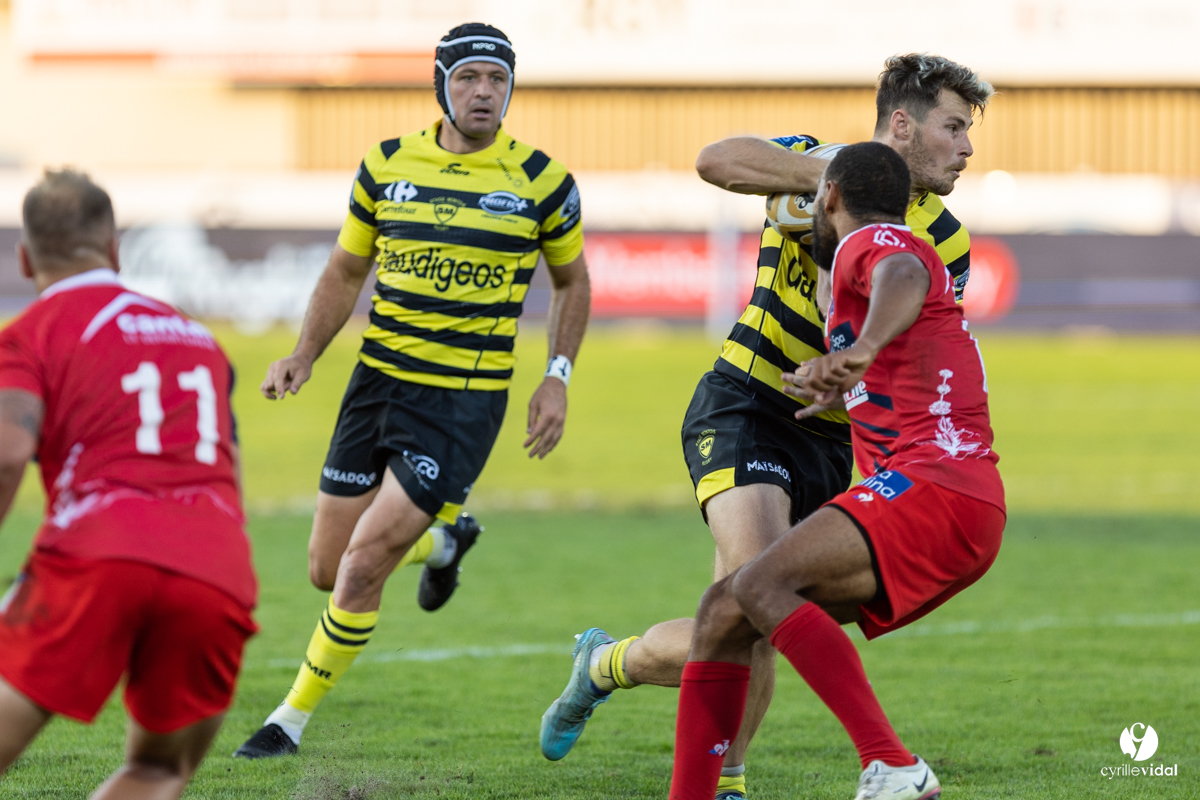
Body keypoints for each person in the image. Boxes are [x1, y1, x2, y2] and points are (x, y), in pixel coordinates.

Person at [539, 54, 991, 800]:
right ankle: (728, 781)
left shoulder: (945, 239)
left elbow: (910, 342)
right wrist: (822, 180)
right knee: (758, 590)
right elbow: (716, 160)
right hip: (746, 406)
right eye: (953, 128)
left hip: (835, 437)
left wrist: (854, 370)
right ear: (902, 124)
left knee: (742, 616)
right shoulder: (812, 169)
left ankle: (605, 664)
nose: (966, 148)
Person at [235, 21, 591, 758]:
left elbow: (571, 281)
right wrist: (303, 353)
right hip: (376, 386)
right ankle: (444, 542)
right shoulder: (387, 165)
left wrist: (556, 377)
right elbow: (343, 272)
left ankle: (288, 722)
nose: (484, 92)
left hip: (463, 399)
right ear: (441, 84)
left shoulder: (543, 182)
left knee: (363, 567)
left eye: (497, 79)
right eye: (468, 78)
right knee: (326, 570)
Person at [668, 142, 1005, 800]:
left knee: (759, 586)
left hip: (933, 486)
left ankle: (892, 763)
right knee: (723, 614)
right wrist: (846, 379)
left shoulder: (866, 239)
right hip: (958, 502)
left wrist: (864, 349)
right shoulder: (891, 250)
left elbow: (900, 272)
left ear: (828, 198)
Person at [0, 170, 257, 798]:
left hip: (98, 550)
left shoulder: (29, 334)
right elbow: (231, 468)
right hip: (215, 565)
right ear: (115, 250)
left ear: (25, 257)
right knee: (159, 768)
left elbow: (8, 455)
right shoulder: (199, 338)